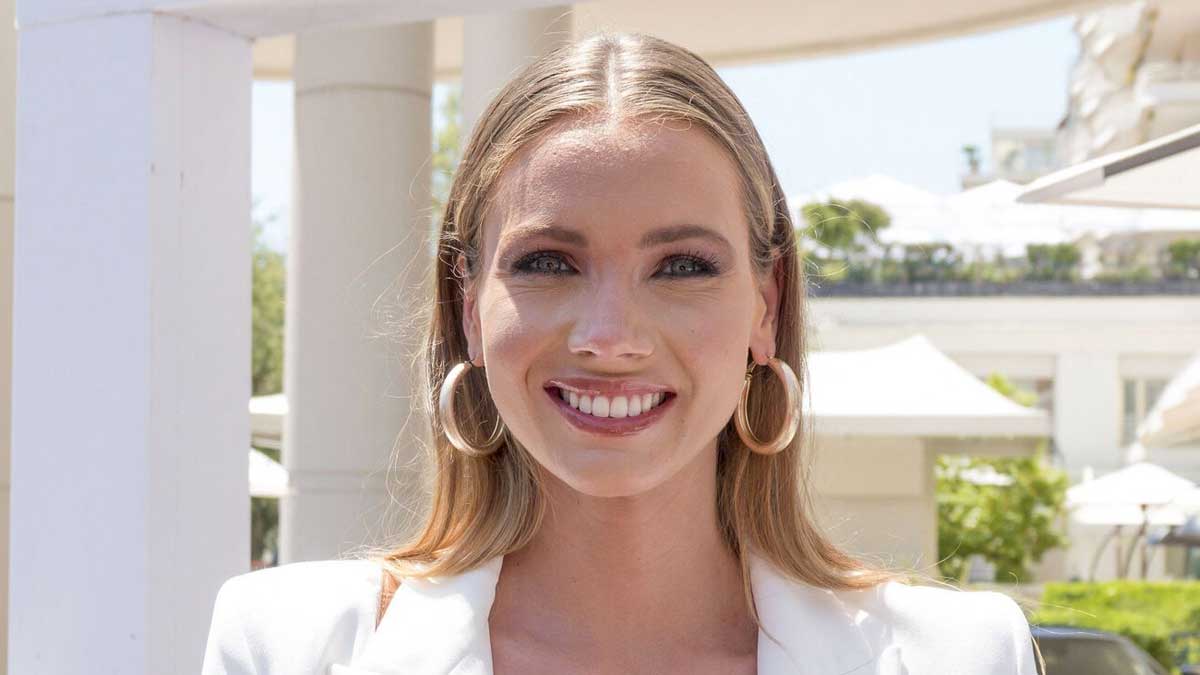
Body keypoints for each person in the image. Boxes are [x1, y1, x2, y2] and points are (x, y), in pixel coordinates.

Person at [202, 32, 1039, 675]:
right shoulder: (289, 647)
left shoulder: (961, 656)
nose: (610, 335)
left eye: (681, 266)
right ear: (467, 305)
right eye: (547, 263)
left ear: (767, 302)